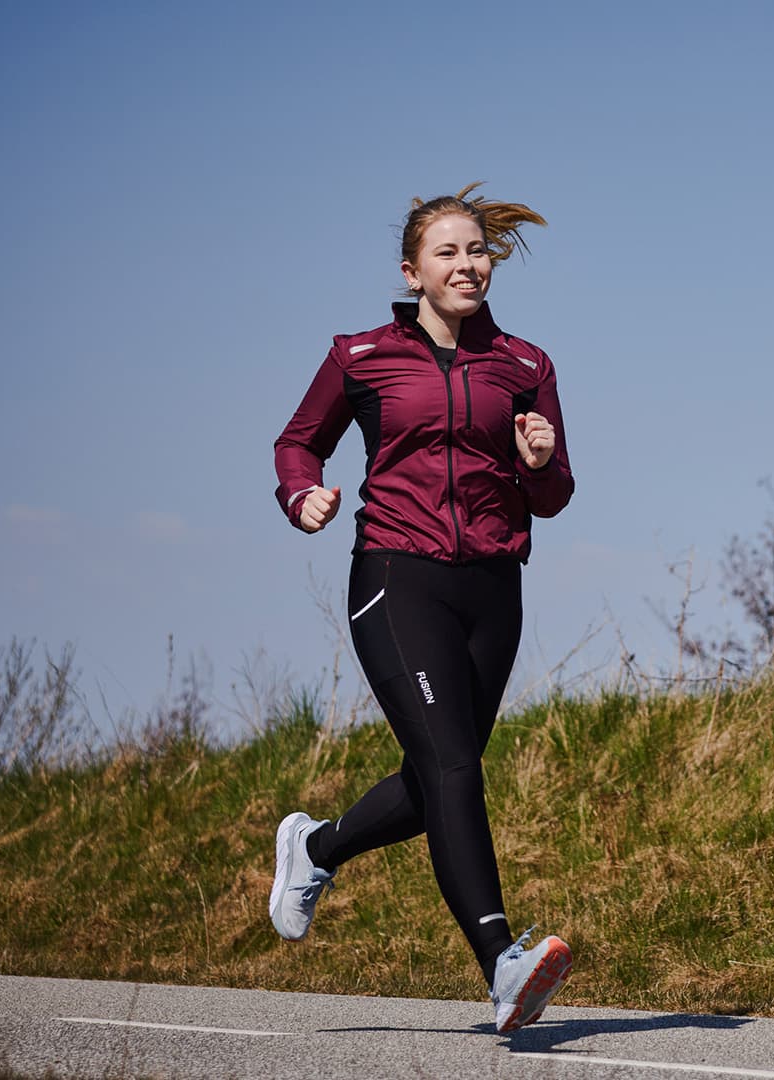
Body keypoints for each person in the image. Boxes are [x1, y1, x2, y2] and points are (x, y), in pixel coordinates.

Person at [267, 183, 574, 1032]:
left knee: (445, 770)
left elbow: (553, 497)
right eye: (448, 252)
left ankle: (316, 846)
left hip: (493, 588)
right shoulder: (361, 357)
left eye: (477, 251)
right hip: (397, 578)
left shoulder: (525, 366)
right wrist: (301, 496)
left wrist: (541, 461)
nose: (467, 264)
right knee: (453, 767)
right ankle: (502, 963)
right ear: (413, 272)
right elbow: (299, 442)